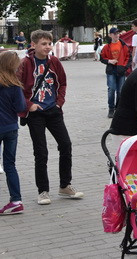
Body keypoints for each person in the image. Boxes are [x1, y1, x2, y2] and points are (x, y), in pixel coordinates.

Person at [18, 30, 83, 205]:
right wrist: (28, 105)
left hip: (53, 111)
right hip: (35, 114)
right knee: (41, 152)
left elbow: (62, 83)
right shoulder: (25, 64)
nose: (47, 47)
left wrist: (59, 102)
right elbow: (17, 88)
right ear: (33, 45)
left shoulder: (54, 62)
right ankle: (43, 191)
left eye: (49, 44)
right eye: (43, 44)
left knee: (66, 145)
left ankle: (65, 185)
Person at [0, 52, 27, 214]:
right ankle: (16, 200)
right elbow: (21, 107)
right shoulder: (15, 85)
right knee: (10, 165)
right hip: (10, 128)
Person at [100, 28, 131, 118]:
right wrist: (109, 61)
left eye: (117, 33)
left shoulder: (123, 45)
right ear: (110, 35)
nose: (117, 35)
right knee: (111, 90)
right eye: (114, 34)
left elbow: (128, 57)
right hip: (111, 70)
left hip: (121, 70)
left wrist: (124, 67)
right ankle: (111, 109)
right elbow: (102, 58)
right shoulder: (107, 47)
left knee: (120, 91)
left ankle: (119, 109)